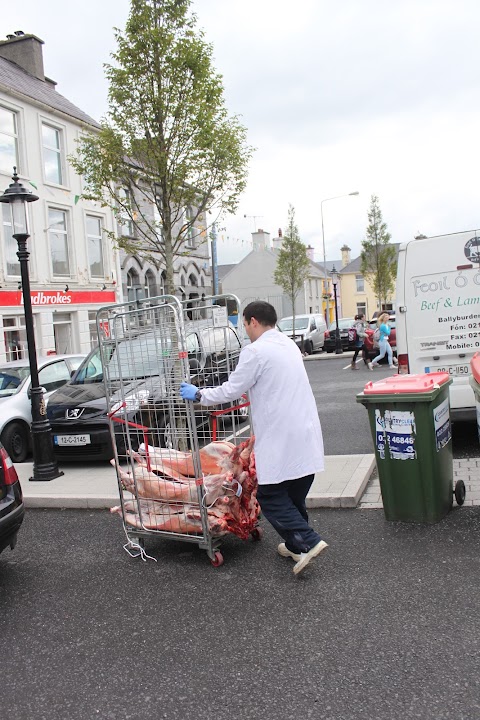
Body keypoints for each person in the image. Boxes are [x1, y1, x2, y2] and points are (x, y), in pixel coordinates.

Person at [179, 300, 328, 576]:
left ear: (253, 321)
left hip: (280, 432)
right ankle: (297, 545)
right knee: (295, 490)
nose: (245, 329)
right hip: (304, 430)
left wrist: (199, 395)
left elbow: (232, 389)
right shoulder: (288, 345)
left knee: (270, 496)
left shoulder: (255, 352)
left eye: (245, 324)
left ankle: (309, 540)